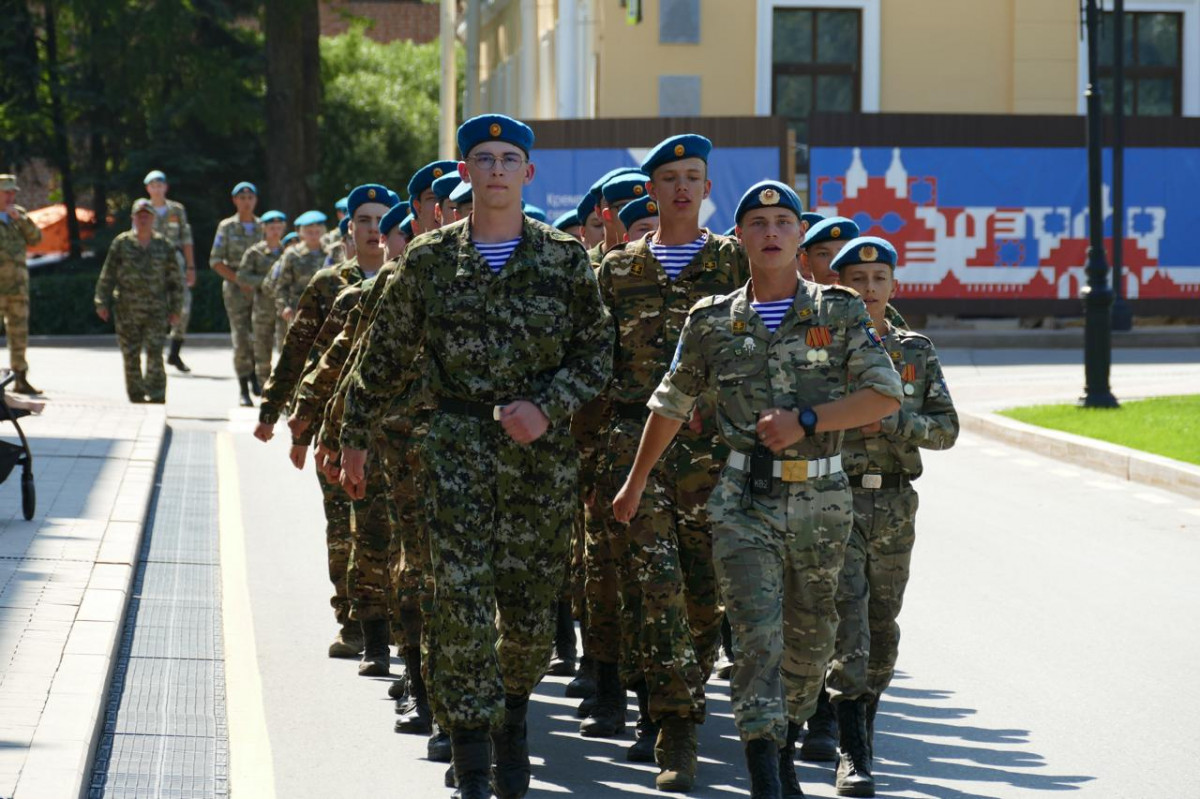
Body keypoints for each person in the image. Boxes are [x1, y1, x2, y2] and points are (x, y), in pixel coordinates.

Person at [338, 114, 613, 799]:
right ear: (464, 173)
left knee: (525, 614)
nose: (495, 169)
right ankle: (473, 757)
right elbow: (382, 355)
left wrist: (547, 405)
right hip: (453, 452)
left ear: (529, 173)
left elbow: (596, 351)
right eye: (483, 158)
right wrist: (353, 436)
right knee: (456, 606)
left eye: (508, 158)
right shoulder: (428, 262)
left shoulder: (563, 258)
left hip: (537, 462)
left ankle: (512, 718)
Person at [612, 180, 903, 799]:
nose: (771, 233)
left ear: (800, 236)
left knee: (809, 643)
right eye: (758, 223)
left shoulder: (841, 312)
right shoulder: (711, 319)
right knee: (754, 638)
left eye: (782, 222)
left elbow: (883, 395)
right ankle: (764, 772)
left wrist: (807, 421)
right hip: (742, 500)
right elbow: (670, 402)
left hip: (823, 502)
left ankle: (788, 736)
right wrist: (635, 481)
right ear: (739, 236)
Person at [589, 135, 749, 789]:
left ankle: (684, 699)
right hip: (636, 454)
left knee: (704, 599)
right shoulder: (618, 271)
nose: (682, 188)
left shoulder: (735, 262)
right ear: (648, 191)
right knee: (655, 591)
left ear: (707, 189)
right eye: (669, 178)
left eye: (694, 177)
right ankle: (675, 728)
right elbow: (593, 365)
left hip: (714, 455)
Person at [824, 237, 958, 798]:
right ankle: (851, 751)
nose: (869, 289)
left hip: (896, 504)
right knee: (848, 622)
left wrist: (895, 422)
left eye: (879, 279)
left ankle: (866, 727)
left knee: (882, 623)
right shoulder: (821, 347)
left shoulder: (916, 351)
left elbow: (945, 430)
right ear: (841, 288)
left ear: (894, 286)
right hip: (838, 498)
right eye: (858, 279)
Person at [255, 187, 392, 657]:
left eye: (381, 220)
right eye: (364, 220)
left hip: (392, 431)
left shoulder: (410, 280)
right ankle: (352, 620)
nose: (374, 229)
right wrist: (275, 414)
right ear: (348, 229)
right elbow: (299, 351)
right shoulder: (329, 284)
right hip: (336, 428)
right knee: (343, 528)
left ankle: (387, 619)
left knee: (386, 529)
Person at [94, 199, 184, 404]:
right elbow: (107, 274)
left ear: (153, 219)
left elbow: (175, 281)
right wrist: (101, 302)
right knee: (131, 355)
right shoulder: (122, 243)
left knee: (155, 353)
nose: (143, 219)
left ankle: (156, 395)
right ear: (133, 218)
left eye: (147, 216)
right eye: (139, 215)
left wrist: (176, 309)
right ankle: (136, 396)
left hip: (156, 310)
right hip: (127, 310)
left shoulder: (164, 245)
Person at [210, 181, 264, 406]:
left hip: (261, 290)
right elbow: (215, 260)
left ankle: (257, 378)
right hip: (235, 290)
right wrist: (239, 280)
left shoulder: (264, 226)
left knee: (260, 336)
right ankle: (244, 387)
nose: (246, 202)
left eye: (250, 198)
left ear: (255, 201)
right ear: (234, 201)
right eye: (241, 198)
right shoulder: (227, 227)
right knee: (241, 337)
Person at [143, 170, 196, 373]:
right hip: (151, 262)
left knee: (184, 306)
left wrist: (191, 267)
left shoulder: (176, 210)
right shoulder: (143, 208)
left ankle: (174, 352)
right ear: (148, 188)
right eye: (153, 185)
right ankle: (153, 355)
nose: (157, 189)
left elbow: (186, 239)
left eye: (160, 184)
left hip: (175, 261)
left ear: (166, 187)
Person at [239, 211, 288, 401]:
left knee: (285, 350)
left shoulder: (289, 252)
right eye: (271, 228)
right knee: (262, 351)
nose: (275, 232)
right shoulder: (255, 252)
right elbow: (242, 276)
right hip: (262, 308)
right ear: (264, 229)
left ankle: (283, 394)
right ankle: (265, 392)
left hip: (283, 308)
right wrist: (266, 281)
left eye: (278, 228)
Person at [0, 174, 42, 395]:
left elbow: (36, 239)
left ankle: (20, 378)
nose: (10, 196)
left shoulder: (19, 216)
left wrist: (20, 220)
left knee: (19, 335)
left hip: (18, 290)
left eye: (12, 192)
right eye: (6, 192)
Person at [273, 210, 327, 327]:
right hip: (299, 311)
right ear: (301, 233)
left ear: (323, 231)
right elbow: (281, 286)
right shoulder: (292, 254)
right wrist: (284, 306)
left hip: (327, 311)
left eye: (317, 232)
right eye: (309, 232)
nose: (314, 236)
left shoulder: (331, 252)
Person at [800, 216, 859, 286]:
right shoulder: (796, 297)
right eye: (823, 254)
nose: (833, 263)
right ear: (806, 261)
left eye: (842, 253)